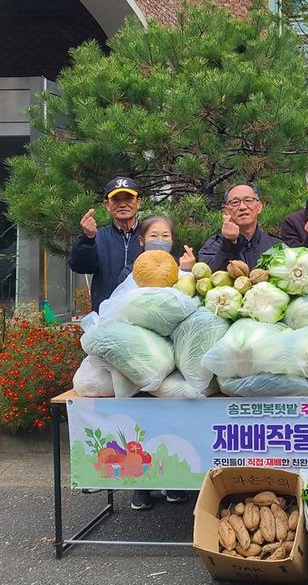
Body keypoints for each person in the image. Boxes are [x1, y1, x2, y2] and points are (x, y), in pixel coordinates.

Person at [125, 215, 194, 511]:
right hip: (143, 360)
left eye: (166, 234)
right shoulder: (132, 274)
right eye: (154, 234)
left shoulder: (181, 273)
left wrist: (188, 272)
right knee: (140, 423)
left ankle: (174, 482)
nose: (160, 239)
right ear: (141, 240)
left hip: (173, 363)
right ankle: (141, 486)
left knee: (173, 423)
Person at [68, 177, 142, 312]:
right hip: (106, 316)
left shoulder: (150, 236)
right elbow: (79, 266)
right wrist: (87, 238)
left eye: (128, 198)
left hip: (144, 315)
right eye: (116, 200)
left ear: (138, 203)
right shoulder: (98, 236)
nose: (123, 204)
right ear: (107, 205)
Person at [198, 183, 282, 271]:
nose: (242, 207)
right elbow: (211, 276)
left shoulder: (276, 246)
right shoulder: (213, 246)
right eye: (235, 202)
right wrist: (229, 243)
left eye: (248, 200)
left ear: (259, 206)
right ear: (227, 211)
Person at [116, 215, 196, 283]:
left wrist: (187, 271)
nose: (160, 241)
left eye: (165, 236)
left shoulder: (180, 266)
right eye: (153, 236)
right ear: (141, 240)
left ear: (172, 240)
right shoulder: (130, 272)